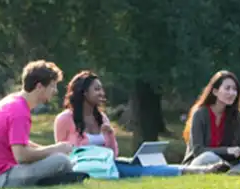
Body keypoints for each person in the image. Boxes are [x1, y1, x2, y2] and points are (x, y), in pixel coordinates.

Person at [53, 70, 228, 177]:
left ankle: (195, 170)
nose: (101, 93)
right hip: (85, 169)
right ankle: (198, 171)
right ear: (83, 93)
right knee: (141, 171)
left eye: (101, 88)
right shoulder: (65, 119)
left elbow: (112, 154)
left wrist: (109, 135)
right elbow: (61, 154)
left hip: (107, 166)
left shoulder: (102, 118)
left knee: (141, 165)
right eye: (96, 89)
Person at [0, 60, 75, 188]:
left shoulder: (14, 102)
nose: (55, 91)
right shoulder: (19, 111)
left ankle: (52, 179)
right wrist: (55, 150)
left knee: (58, 158)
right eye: (52, 86)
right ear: (39, 87)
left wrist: (51, 150)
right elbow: (21, 156)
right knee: (62, 161)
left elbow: (22, 143)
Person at [182, 70, 240, 168]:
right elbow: (198, 151)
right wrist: (227, 150)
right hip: (200, 163)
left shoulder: (237, 115)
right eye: (227, 88)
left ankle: (232, 169)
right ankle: (231, 169)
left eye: (234, 89)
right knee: (209, 157)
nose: (232, 93)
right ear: (215, 91)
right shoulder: (200, 114)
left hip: (230, 162)